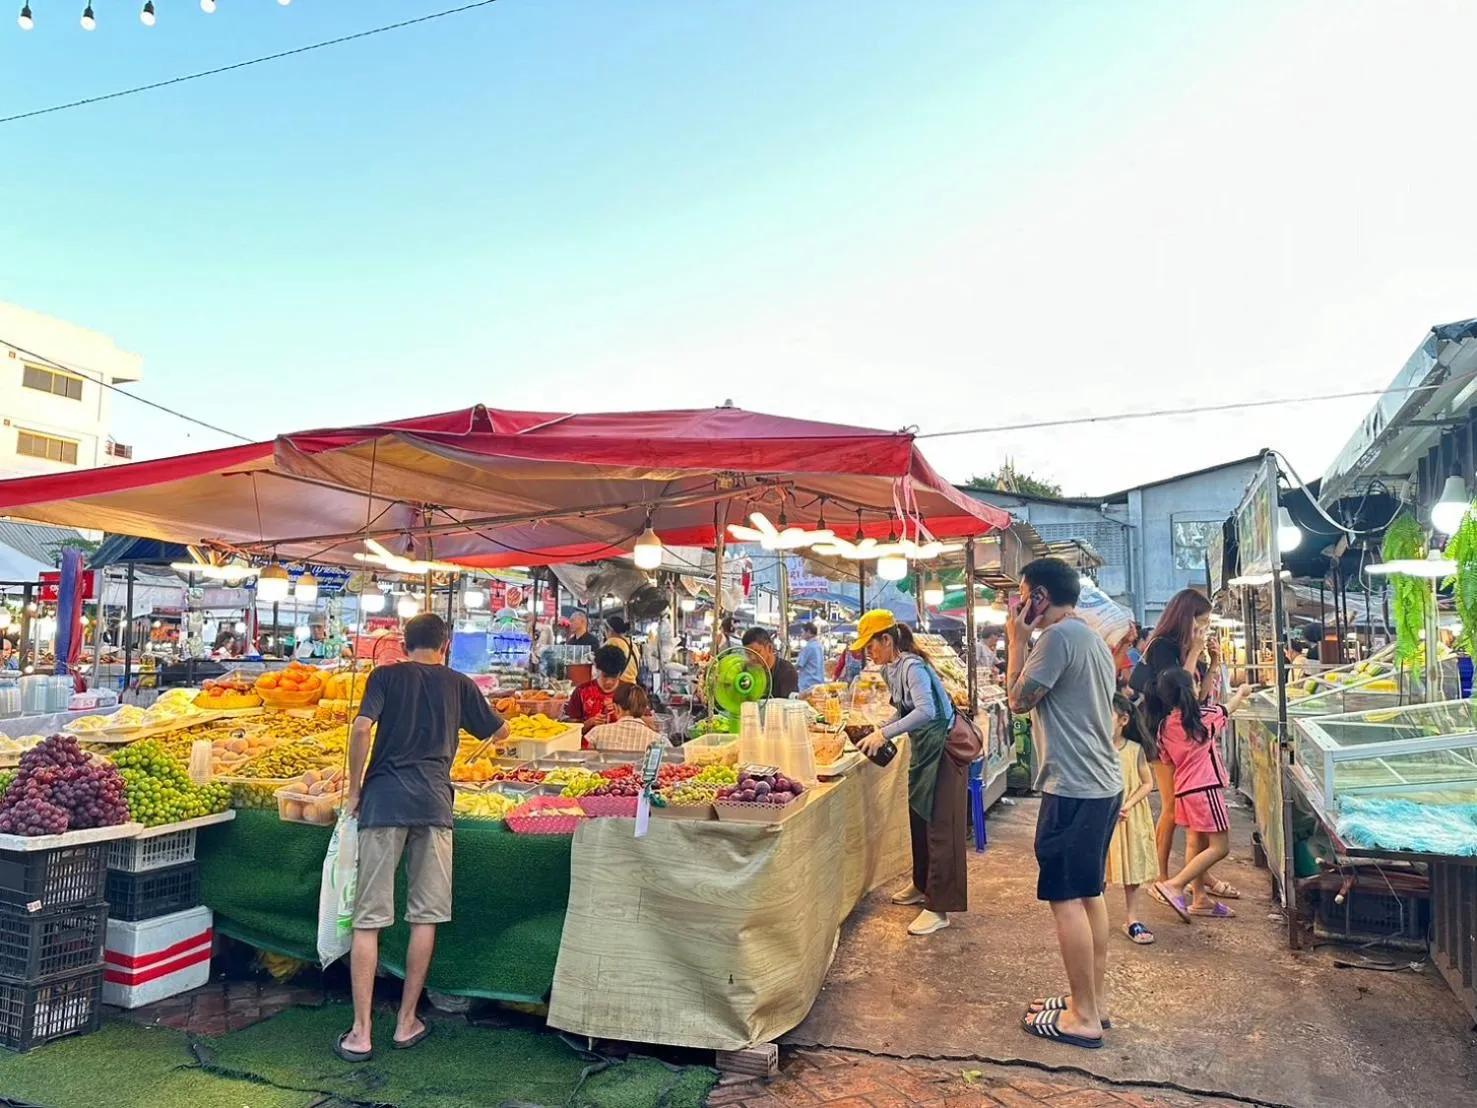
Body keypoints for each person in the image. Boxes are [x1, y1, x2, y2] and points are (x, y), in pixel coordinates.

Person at [339, 614, 508, 1063]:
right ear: (446, 644)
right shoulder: (458, 683)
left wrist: (355, 788)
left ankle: (360, 1032)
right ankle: (406, 1021)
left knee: (368, 919)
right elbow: (501, 731)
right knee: (424, 916)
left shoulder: (384, 676)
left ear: (402, 643)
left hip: (382, 804)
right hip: (434, 806)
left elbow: (359, 728)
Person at [1008, 558, 1121, 1051]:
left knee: (1065, 896)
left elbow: (1017, 699)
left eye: (1021, 594)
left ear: (1039, 598)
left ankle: (1085, 1017)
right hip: (1100, 782)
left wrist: (1015, 641)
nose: (1016, 604)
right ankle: (1089, 1001)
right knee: (1089, 892)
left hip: (1074, 786)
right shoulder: (1091, 636)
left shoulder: (1054, 640)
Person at [851, 610, 967, 936]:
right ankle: (921, 884)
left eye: (871, 646)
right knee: (919, 818)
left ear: (887, 640)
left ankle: (939, 907)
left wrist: (885, 734)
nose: (868, 654)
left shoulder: (913, 666)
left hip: (944, 751)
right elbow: (905, 712)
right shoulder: (891, 670)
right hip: (922, 750)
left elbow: (927, 710)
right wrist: (878, 729)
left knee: (940, 828)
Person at [1130, 589, 1236, 896]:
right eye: (1200, 622)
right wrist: (1194, 653)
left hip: (1185, 740)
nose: (1202, 630)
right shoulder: (1163, 647)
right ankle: (1159, 878)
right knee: (1172, 810)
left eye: (1206, 624)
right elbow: (1178, 693)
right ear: (1185, 618)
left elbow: (1198, 698)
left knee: (1193, 810)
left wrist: (1213, 662)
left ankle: (1199, 877)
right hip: (1162, 738)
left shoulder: (1190, 647)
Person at [1150, 668, 1254, 922]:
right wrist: (1242, 691)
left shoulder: (1163, 727)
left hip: (1184, 790)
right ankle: (1175, 885)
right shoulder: (1203, 716)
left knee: (1195, 843)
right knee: (1220, 847)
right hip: (1206, 789)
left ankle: (1200, 899)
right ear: (1192, 688)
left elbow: (1167, 759)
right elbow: (1230, 707)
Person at [1105, 693, 1158, 946]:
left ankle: (1132, 918)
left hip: (1128, 816)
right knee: (1099, 869)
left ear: (1123, 720)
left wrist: (1126, 805)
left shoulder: (1134, 750)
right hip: (1103, 816)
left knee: (1132, 870)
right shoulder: (1096, 748)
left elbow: (1148, 783)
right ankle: (1094, 918)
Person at [563, 644, 628, 735]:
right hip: (587, 747)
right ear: (597, 669)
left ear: (620, 673)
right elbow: (569, 728)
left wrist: (624, 715)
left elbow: (648, 723)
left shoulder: (629, 692)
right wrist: (589, 722)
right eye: (604, 676)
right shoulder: (582, 691)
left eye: (614, 677)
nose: (609, 682)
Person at [585, 682, 661, 753]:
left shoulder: (597, 733)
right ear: (644, 709)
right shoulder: (658, 740)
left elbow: (588, 763)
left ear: (616, 708)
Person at [741, 626, 798, 699]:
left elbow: (789, 704)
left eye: (757, 652)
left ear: (769, 648)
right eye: (748, 654)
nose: (752, 658)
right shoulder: (747, 672)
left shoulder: (786, 671)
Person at [604, 615, 640, 684]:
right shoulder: (633, 645)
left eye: (605, 631)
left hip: (617, 688)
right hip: (632, 687)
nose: (605, 634)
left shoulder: (611, 642)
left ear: (611, 630)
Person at [795, 623, 826, 692]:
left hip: (808, 684)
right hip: (819, 683)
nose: (801, 634)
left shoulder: (808, 647)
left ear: (808, 632)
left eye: (802, 632)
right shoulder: (819, 646)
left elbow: (798, 665)